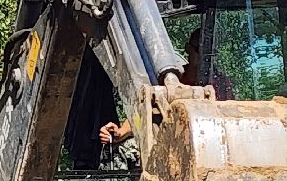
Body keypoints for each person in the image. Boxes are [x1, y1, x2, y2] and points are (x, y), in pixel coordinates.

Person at [98, 27, 233, 145]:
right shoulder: (170, 81)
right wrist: (120, 133)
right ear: (188, 49)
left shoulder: (221, 84)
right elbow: (144, 114)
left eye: (209, 53)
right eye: (200, 50)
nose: (205, 57)